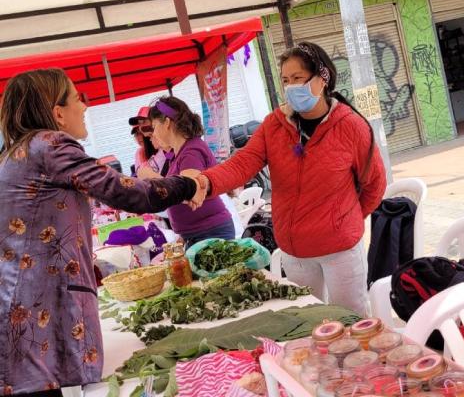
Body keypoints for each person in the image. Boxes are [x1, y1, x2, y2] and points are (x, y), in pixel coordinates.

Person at [0, 69, 207, 396]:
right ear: (57, 113)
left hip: (21, 317)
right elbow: (126, 191)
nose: (84, 106)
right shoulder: (49, 145)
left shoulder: (15, 153)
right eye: (76, 98)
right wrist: (189, 183)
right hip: (34, 321)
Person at [182, 42, 386, 316]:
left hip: (341, 252)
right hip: (295, 252)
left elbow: (374, 184)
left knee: (351, 321)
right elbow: (243, 163)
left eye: (298, 79)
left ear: (322, 79)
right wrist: (205, 182)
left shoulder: (351, 126)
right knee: (307, 322)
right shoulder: (274, 125)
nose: (291, 87)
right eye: (286, 81)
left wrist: (344, 218)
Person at [146, 96, 235, 246]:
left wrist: (152, 178)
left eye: (154, 127)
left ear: (167, 123)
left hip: (210, 232)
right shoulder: (179, 153)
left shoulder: (191, 151)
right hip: (198, 233)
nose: (153, 134)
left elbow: (189, 191)